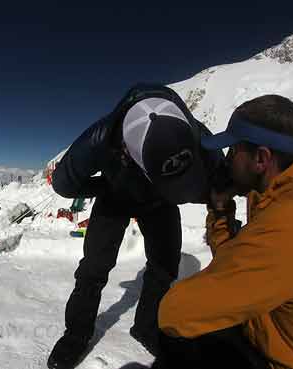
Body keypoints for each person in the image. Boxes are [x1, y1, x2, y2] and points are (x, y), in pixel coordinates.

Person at [154, 94, 293, 368]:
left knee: (176, 336)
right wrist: (221, 211)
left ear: (261, 158)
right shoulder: (292, 196)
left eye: (233, 151)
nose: (227, 161)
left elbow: (175, 312)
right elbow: (238, 267)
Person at [47, 83, 223, 369]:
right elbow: (64, 184)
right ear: (128, 152)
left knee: (164, 266)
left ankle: (146, 326)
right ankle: (76, 334)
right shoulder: (100, 139)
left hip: (160, 203)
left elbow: (220, 176)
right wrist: (105, 185)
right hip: (115, 199)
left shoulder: (194, 133)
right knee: (94, 269)